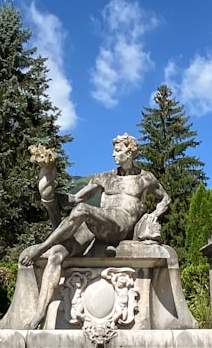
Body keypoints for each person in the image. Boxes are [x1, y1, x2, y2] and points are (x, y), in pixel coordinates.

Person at [18, 133, 171, 330]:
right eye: (114, 150)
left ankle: (40, 249)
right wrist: (49, 185)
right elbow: (75, 200)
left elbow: (165, 198)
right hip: (100, 222)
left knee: (82, 211)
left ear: (130, 151)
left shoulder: (145, 178)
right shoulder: (104, 177)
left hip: (121, 223)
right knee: (57, 254)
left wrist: (154, 215)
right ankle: (39, 313)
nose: (113, 155)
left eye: (118, 150)